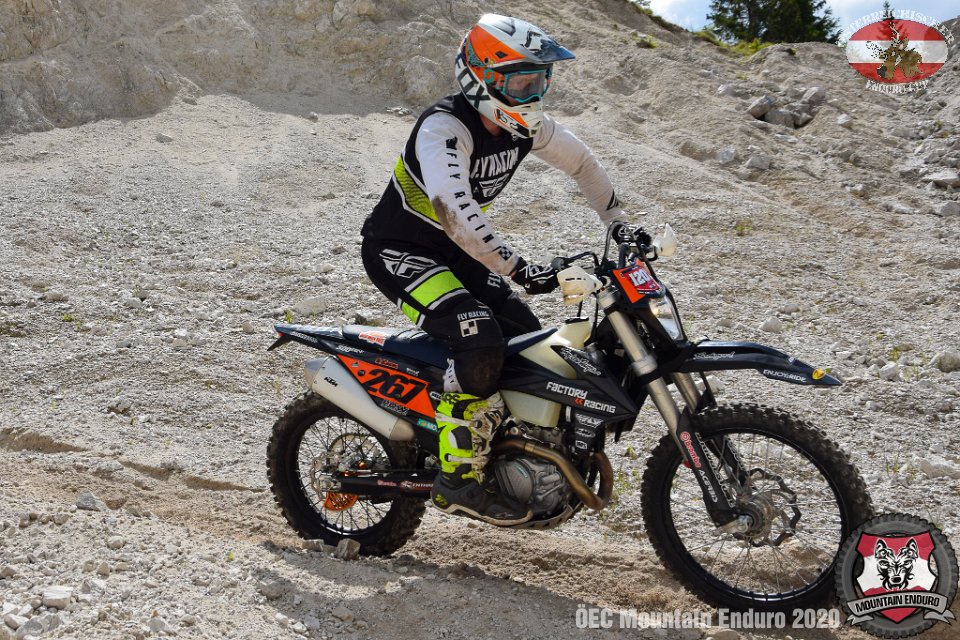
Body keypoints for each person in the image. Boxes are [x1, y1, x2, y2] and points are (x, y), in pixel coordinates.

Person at [360, 13, 631, 524]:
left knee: (527, 338)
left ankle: (509, 452)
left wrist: (618, 223)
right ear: (479, 77)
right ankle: (458, 478)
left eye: (539, 81)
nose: (532, 95)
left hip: (457, 255)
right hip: (401, 250)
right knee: (479, 337)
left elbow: (583, 164)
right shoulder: (443, 128)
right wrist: (520, 269)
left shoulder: (524, 126)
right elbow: (456, 214)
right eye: (520, 83)